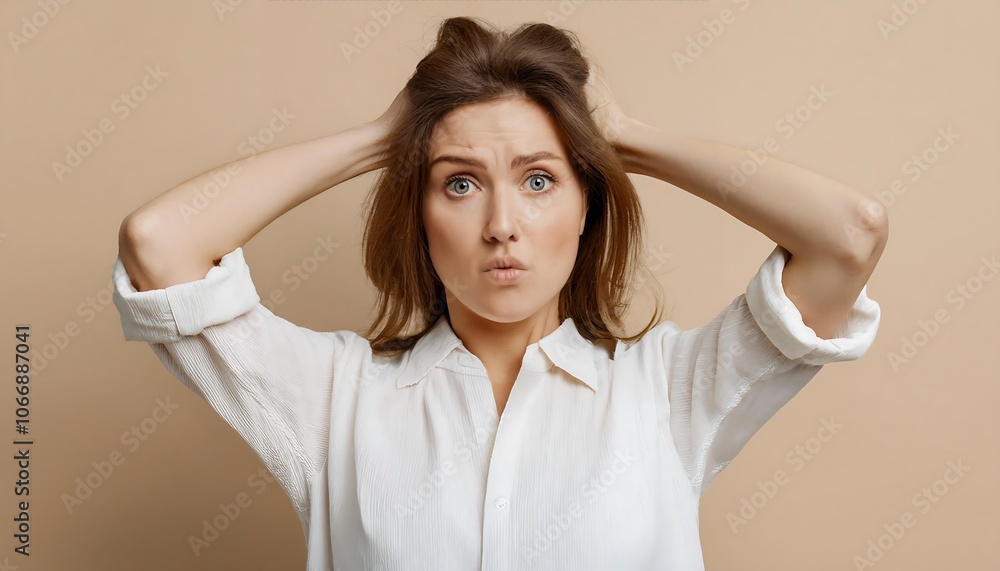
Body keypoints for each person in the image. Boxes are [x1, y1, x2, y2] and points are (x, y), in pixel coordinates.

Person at [111, 16, 885, 571]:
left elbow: (849, 233)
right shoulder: (333, 400)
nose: (502, 225)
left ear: (586, 203)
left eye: (540, 180)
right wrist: (394, 136)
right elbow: (159, 242)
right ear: (419, 212)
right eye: (459, 183)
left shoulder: (667, 392)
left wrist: (621, 131)